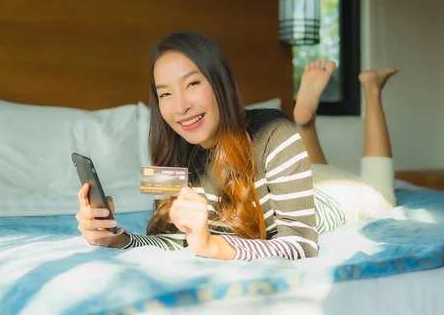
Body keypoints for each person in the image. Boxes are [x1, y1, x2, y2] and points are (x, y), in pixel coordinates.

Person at [76, 31, 318, 261]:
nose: (181, 107)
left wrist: (211, 246)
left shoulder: (273, 130)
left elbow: (302, 244)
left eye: (192, 84)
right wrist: (115, 238)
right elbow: (173, 241)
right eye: (165, 94)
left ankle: (306, 123)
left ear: (219, 82)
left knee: (336, 181)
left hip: (325, 198)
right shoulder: (171, 153)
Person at [293, 58, 399, 212]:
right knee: (382, 200)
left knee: (380, 199)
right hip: (310, 191)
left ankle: (372, 88)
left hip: (291, 197)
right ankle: (306, 127)